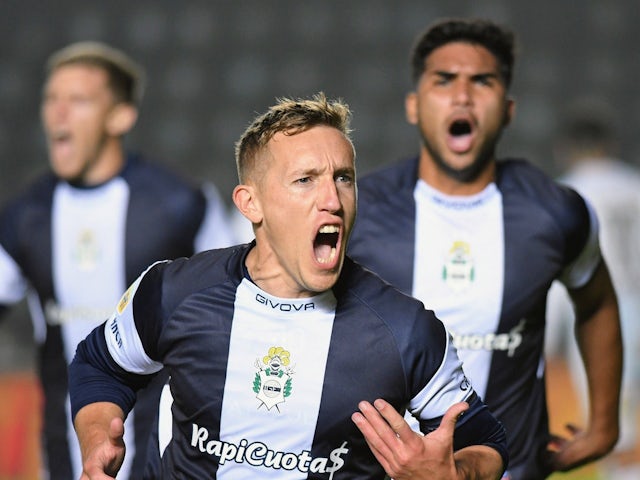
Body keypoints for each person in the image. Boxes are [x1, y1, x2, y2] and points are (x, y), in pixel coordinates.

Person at [68, 93, 509, 479]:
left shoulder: (404, 329)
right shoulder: (174, 292)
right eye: (305, 180)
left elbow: (482, 439)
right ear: (250, 203)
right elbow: (100, 364)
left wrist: (453, 475)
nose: (333, 201)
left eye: (344, 178)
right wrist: (95, 442)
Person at [347, 18, 622, 480]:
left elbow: (596, 303)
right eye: (444, 80)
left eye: (482, 81)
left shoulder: (556, 213)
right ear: (414, 106)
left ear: (509, 108)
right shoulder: (358, 210)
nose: (462, 96)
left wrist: (604, 425)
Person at [0, 41, 236, 479]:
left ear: (121, 116)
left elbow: (235, 307)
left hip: (164, 448)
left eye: (79, 100)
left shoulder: (180, 204)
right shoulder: (24, 217)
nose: (59, 113)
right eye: (51, 99)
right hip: (62, 452)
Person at [546, 98, 640, 479]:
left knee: (607, 423)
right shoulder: (634, 184)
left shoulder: (567, 191)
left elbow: (557, 270)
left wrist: (548, 335)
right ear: (609, 145)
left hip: (600, 315)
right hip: (637, 302)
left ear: (568, 149)